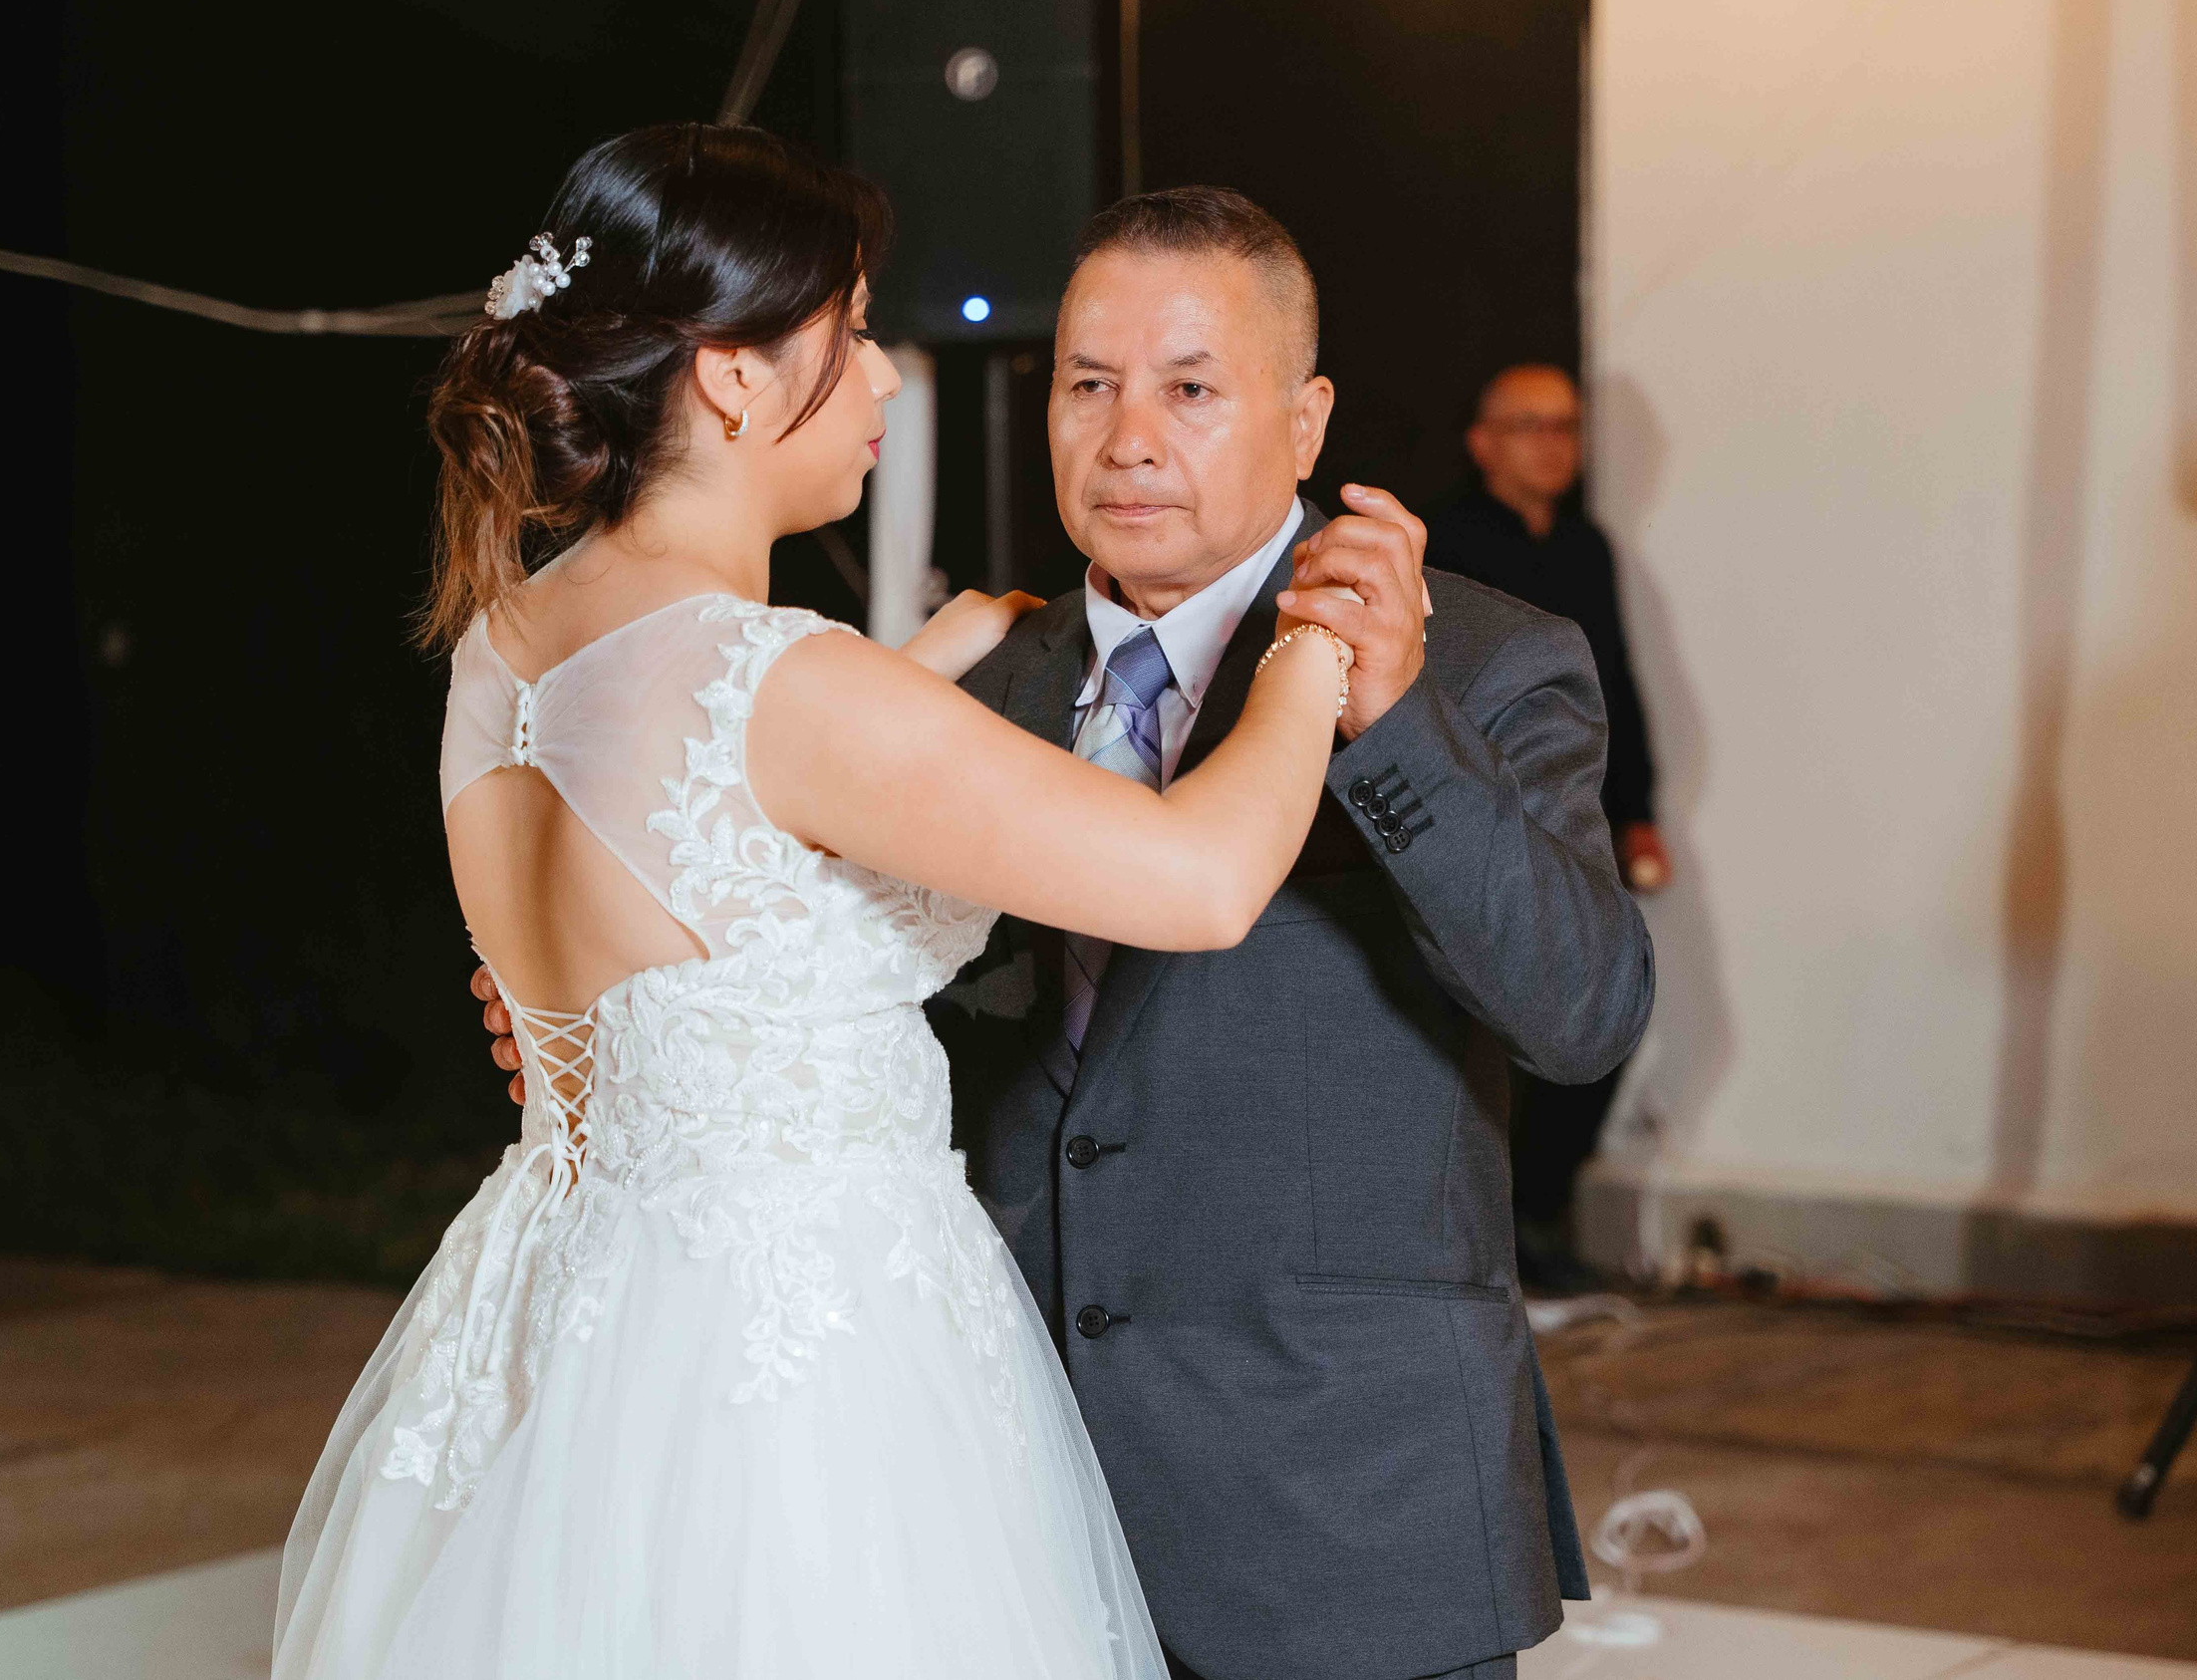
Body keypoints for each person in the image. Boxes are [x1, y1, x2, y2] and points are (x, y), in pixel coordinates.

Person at [487, 187, 1655, 1680]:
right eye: (1088, 385)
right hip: (994, 1504)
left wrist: (1398, 723)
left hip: (1344, 1509)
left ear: (1306, 422)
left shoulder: (1480, 660)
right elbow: (818, 973)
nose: (1128, 439)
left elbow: (1585, 1011)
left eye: (1190, 390)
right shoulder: (967, 683)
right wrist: (619, 1007)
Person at [276, 126, 1370, 1680]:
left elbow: (702, 860)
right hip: (796, 1370)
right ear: (731, 376)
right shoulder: (782, 678)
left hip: (561, 1319)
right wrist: (1318, 638)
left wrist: (912, 676)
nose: (883, 377)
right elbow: (1199, 878)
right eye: (849, 332)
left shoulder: (502, 644)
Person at [1425, 364, 1667, 1291]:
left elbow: (1617, 684)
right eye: (1531, 425)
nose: (1554, 444)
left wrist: (1640, 813)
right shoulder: (1441, 542)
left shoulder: (1586, 546)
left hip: (1573, 811)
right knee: (1485, 1026)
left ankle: (1539, 1215)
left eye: (1566, 426)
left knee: (1599, 1006)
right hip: (1475, 811)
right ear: (1482, 442)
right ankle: (1495, 1233)